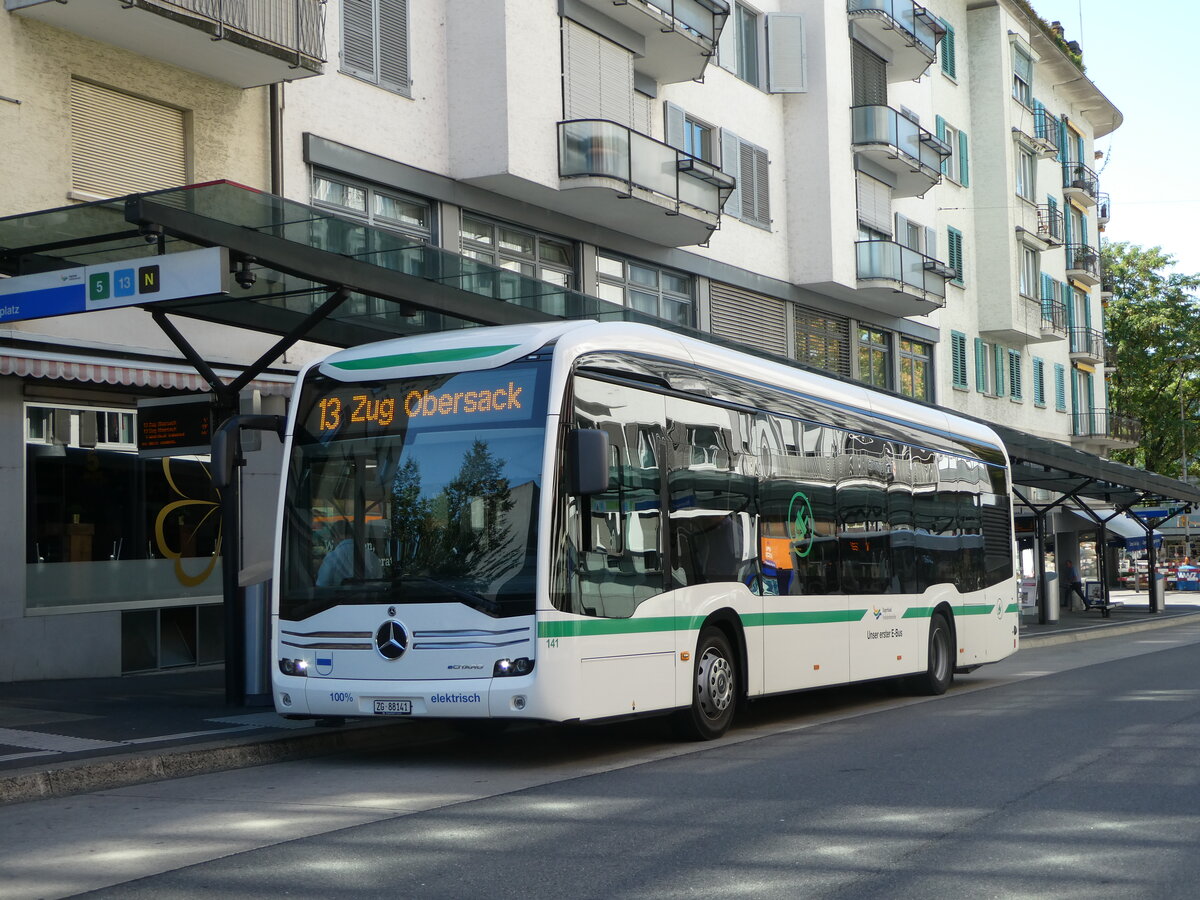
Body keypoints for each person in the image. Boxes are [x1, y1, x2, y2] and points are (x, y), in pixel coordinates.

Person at [316, 519, 382, 587]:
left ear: (336, 536)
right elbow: (379, 584)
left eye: (332, 539)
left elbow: (321, 586)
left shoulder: (332, 558)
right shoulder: (372, 556)